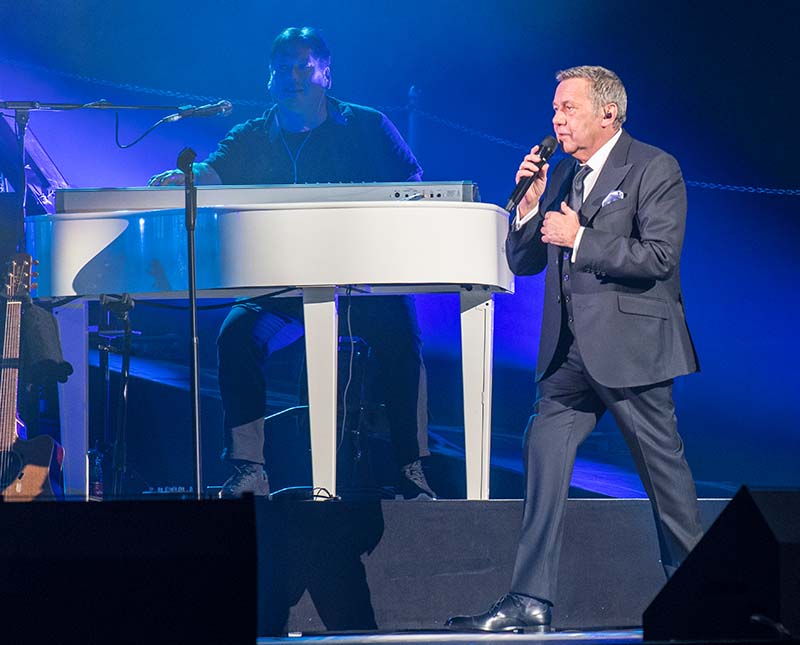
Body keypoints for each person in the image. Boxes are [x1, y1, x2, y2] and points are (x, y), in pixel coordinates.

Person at [446, 65, 703, 632]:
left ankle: (698, 593)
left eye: (569, 108)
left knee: (663, 472)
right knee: (543, 452)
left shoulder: (654, 168)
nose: (556, 119)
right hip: (567, 354)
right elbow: (524, 260)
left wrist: (581, 238)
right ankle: (530, 597)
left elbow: (658, 258)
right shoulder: (562, 174)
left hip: (630, 348)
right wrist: (531, 205)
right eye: (555, 109)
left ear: (608, 113)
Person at [148, 27, 436, 500]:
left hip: (360, 285)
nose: (293, 77)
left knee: (402, 337)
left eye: (303, 66)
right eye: (283, 68)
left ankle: (410, 467)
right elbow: (214, 172)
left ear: (326, 72)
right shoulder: (252, 135)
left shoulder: (367, 125)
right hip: (281, 290)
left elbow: (414, 184)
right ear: (269, 79)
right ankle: (249, 469)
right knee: (236, 335)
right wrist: (190, 175)